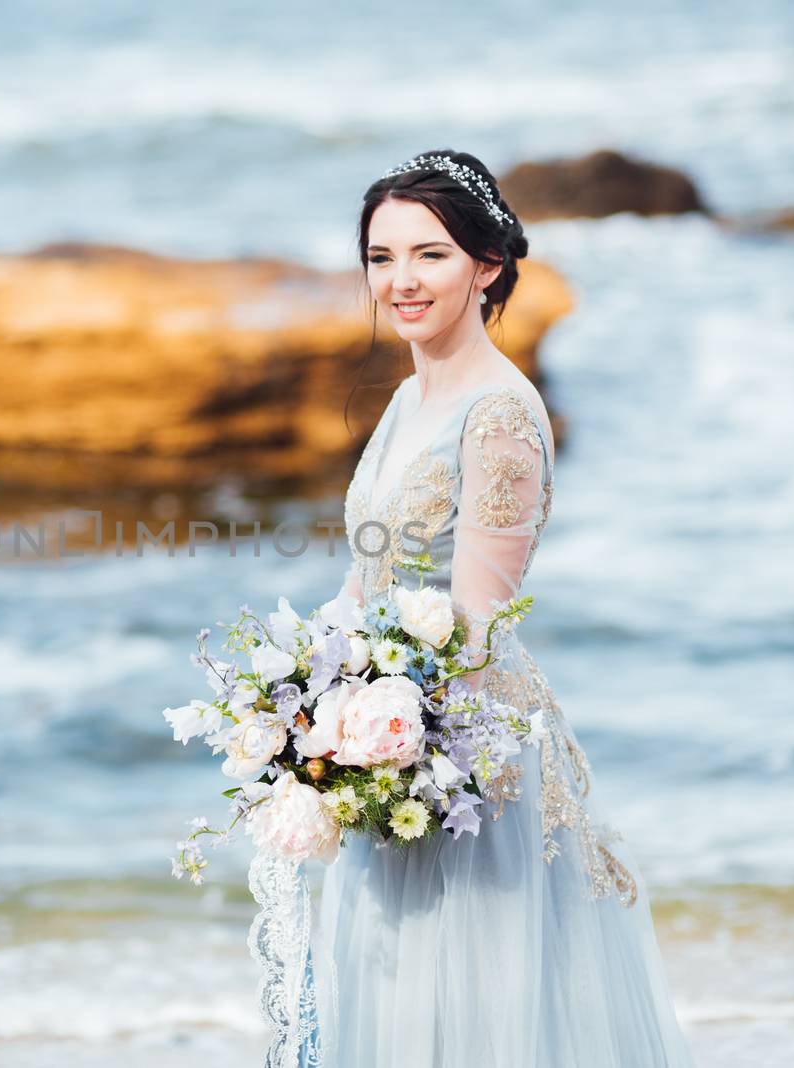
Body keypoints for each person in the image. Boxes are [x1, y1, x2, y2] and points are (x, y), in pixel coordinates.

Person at [289, 151, 697, 1066]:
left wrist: (384, 726)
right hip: (386, 742)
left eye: (429, 255)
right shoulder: (405, 400)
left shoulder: (501, 415)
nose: (400, 280)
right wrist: (303, 708)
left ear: (486, 267)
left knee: (470, 1012)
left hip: (463, 756)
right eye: (381, 256)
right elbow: (366, 581)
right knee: (390, 999)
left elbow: (476, 619)